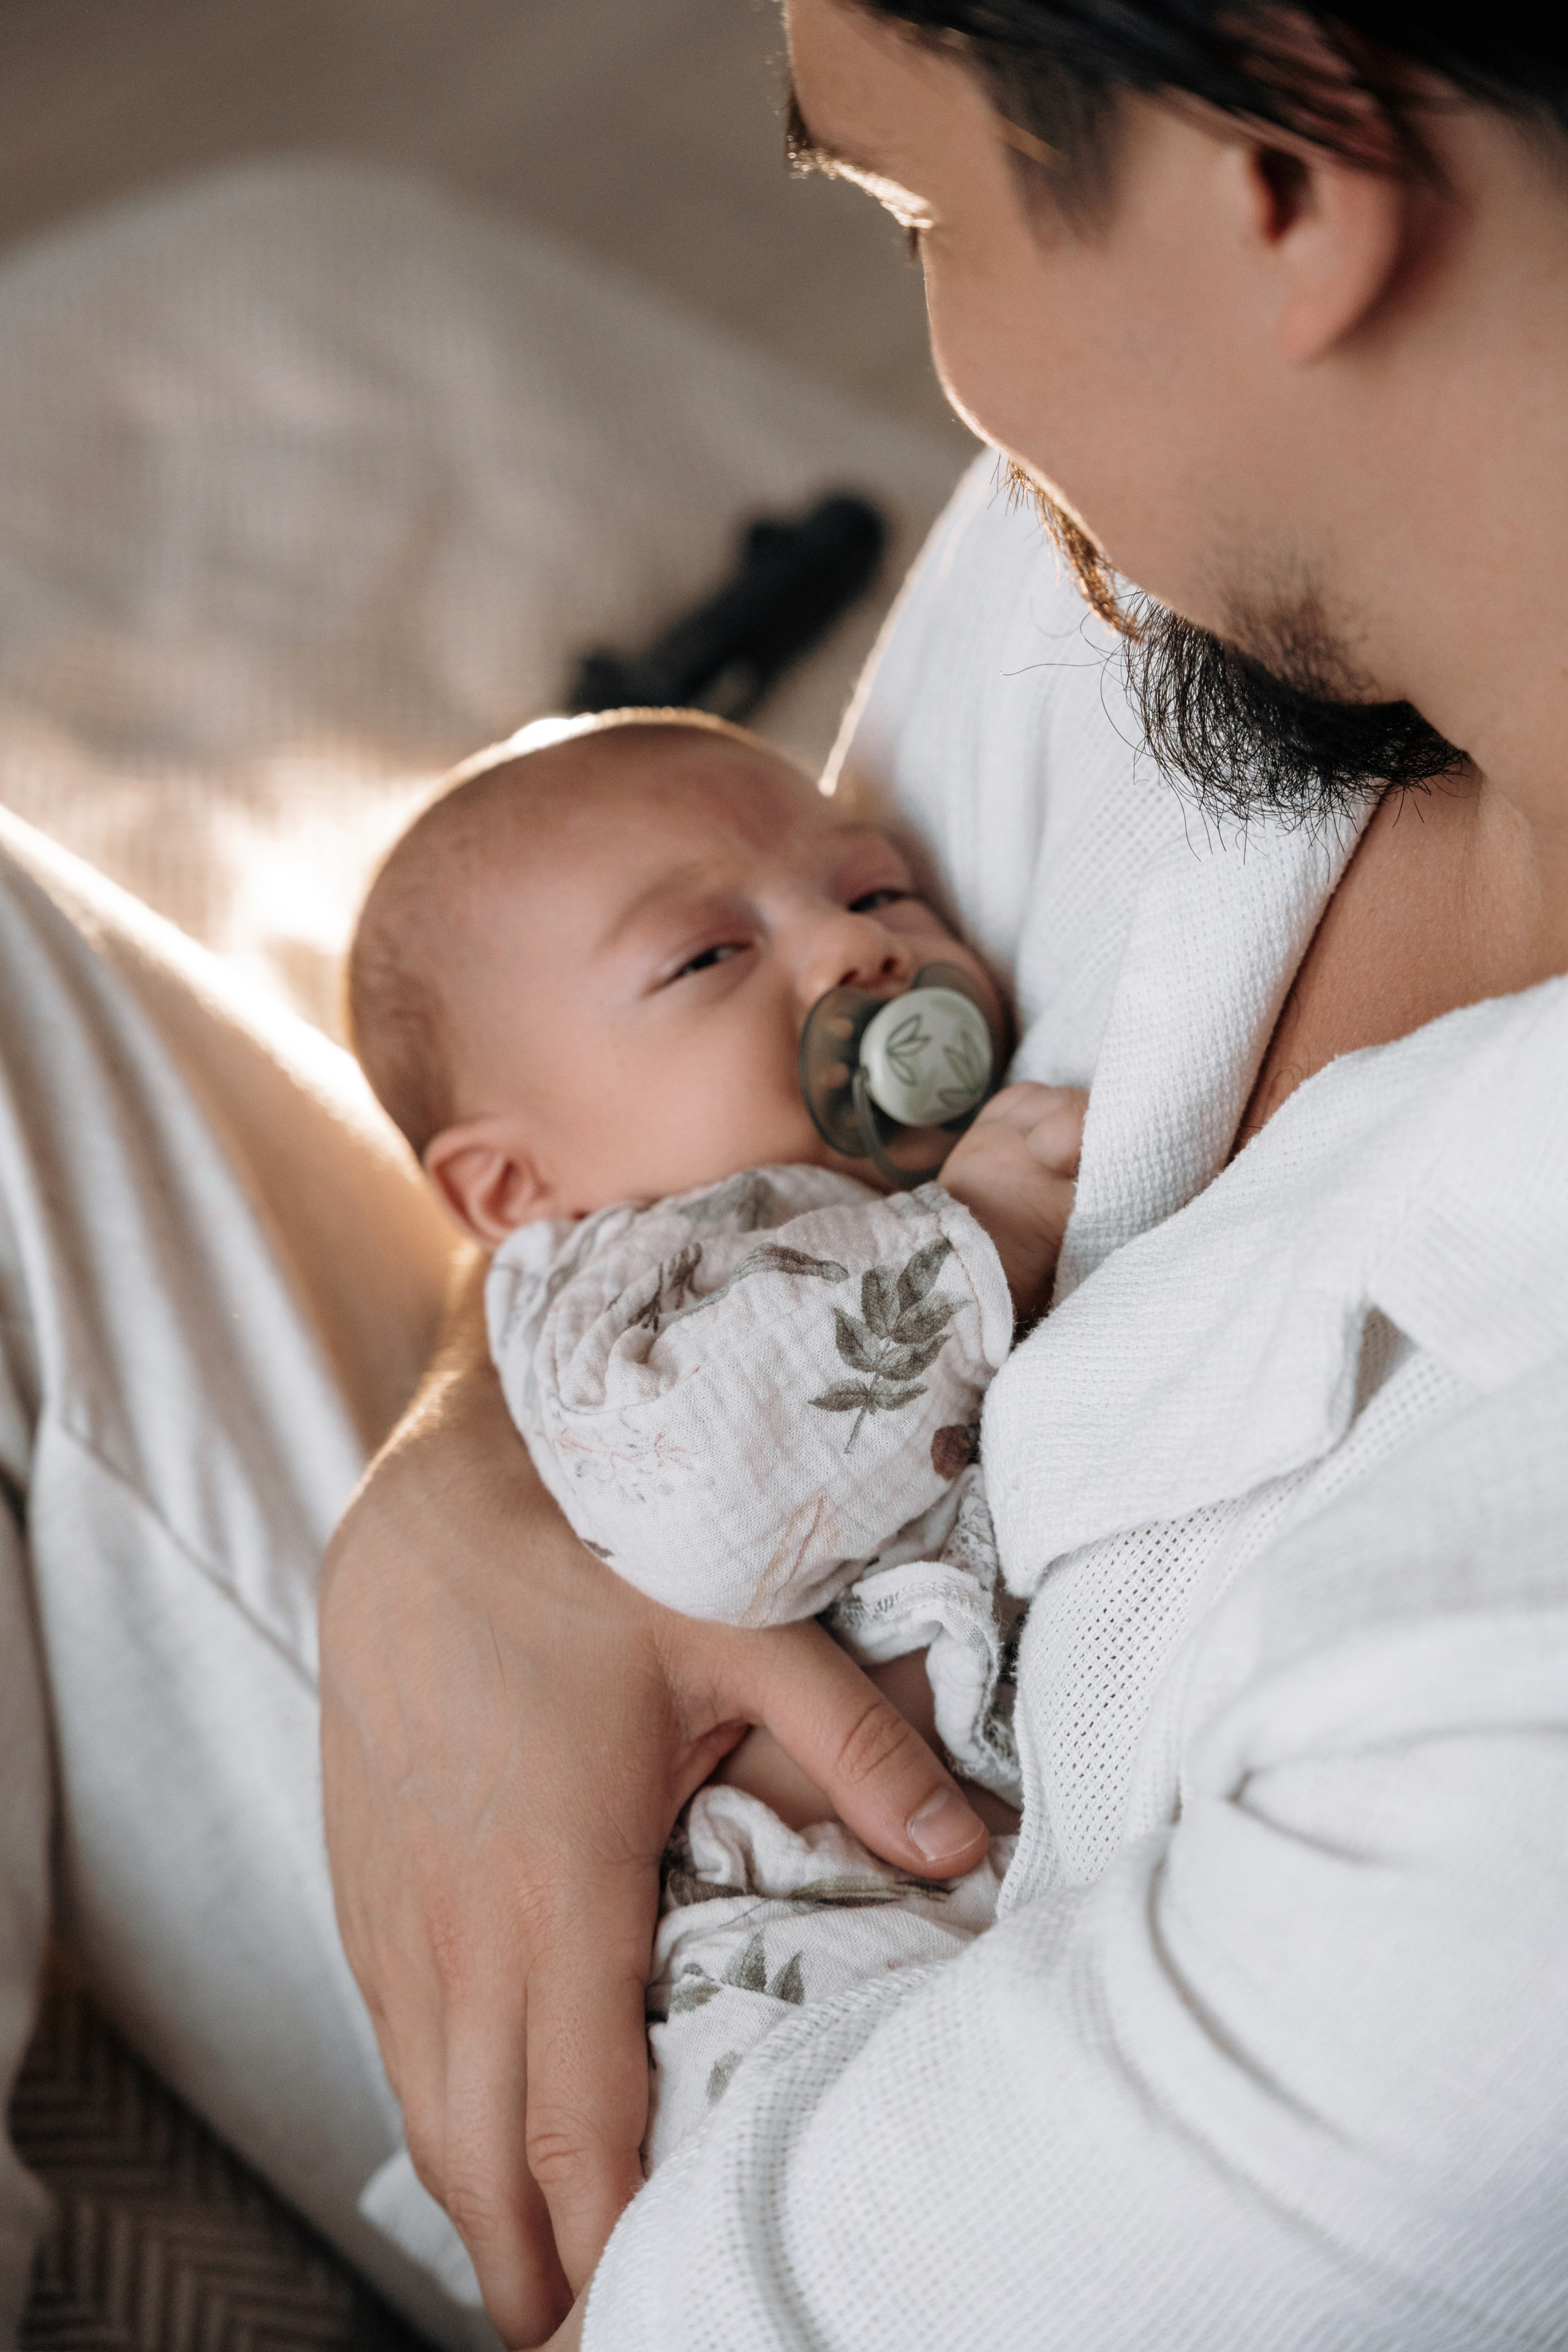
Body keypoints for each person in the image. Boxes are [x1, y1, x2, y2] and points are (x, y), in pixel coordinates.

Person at [1, 5, 1566, 2351]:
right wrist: (474, 1505)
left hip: (711, 2148)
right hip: (610, 1753)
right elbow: (666, 1126)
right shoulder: (1235, 543)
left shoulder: (1509, 1753)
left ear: (1287, 178)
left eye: (922, 216)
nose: (968, 403)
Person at [342, 708, 1084, 2192]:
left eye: (873, 889)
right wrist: (977, 1242)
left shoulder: (856, 1186)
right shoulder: (633, 1278)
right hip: (754, 1972)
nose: (853, 952)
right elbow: (709, 1497)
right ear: (514, 1182)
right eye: (705, 957)